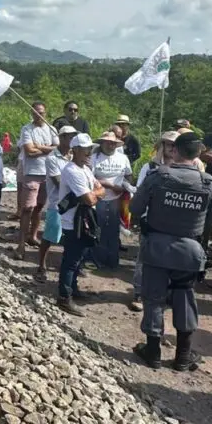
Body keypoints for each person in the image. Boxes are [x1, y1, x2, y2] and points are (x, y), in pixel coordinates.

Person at [130, 131, 212, 372]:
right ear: (199, 153)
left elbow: (135, 208)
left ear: (176, 150)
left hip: (157, 247)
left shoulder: (158, 177)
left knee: (154, 298)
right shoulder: (209, 184)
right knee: (184, 298)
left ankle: (153, 351)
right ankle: (183, 355)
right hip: (190, 251)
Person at [56, 134, 105, 314]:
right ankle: (64, 297)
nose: (89, 152)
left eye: (90, 149)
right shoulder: (72, 171)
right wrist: (95, 193)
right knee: (71, 260)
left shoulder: (85, 169)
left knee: (79, 258)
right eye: (86, 149)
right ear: (75, 150)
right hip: (73, 222)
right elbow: (90, 198)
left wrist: (94, 193)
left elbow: (100, 191)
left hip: (83, 220)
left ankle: (73, 289)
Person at [131, 131, 178, 310]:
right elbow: (140, 191)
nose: (171, 148)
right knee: (144, 258)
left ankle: (163, 294)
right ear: (162, 146)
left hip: (174, 222)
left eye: (174, 145)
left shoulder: (184, 168)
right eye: (168, 144)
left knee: (169, 259)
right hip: (150, 218)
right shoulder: (149, 167)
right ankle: (138, 293)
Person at [16, 102, 58, 259]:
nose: (39, 115)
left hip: (48, 173)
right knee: (27, 208)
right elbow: (29, 151)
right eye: (35, 112)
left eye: (41, 112)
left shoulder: (51, 129)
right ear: (32, 113)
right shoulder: (26, 129)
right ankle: (21, 244)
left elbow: (58, 149)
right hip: (32, 172)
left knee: (39, 207)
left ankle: (32, 236)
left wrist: (39, 147)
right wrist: (48, 148)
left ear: (45, 113)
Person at [36, 125, 76, 281]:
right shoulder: (52, 158)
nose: (72, 139)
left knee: (70, 237)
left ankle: (66, 266)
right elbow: (59, 182)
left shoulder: (74, 156)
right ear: (62, 138)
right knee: (50, 236)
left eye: (74, 136)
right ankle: (41, 265)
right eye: (69, 136)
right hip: (57, 204)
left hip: (73, 204)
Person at [89, 131, 134, 270]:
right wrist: (109, 185)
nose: (110, 145)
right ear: (102, 143)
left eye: (113, 143)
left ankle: (113, 260)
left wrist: (125, 188)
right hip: (99, 197)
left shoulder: (123, 158)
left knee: (114, 229)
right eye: (108, 142)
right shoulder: (94, 158)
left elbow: (129, 175)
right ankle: (98, 259)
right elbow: (89, 178)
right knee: (99, 228)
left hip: (117, 198)